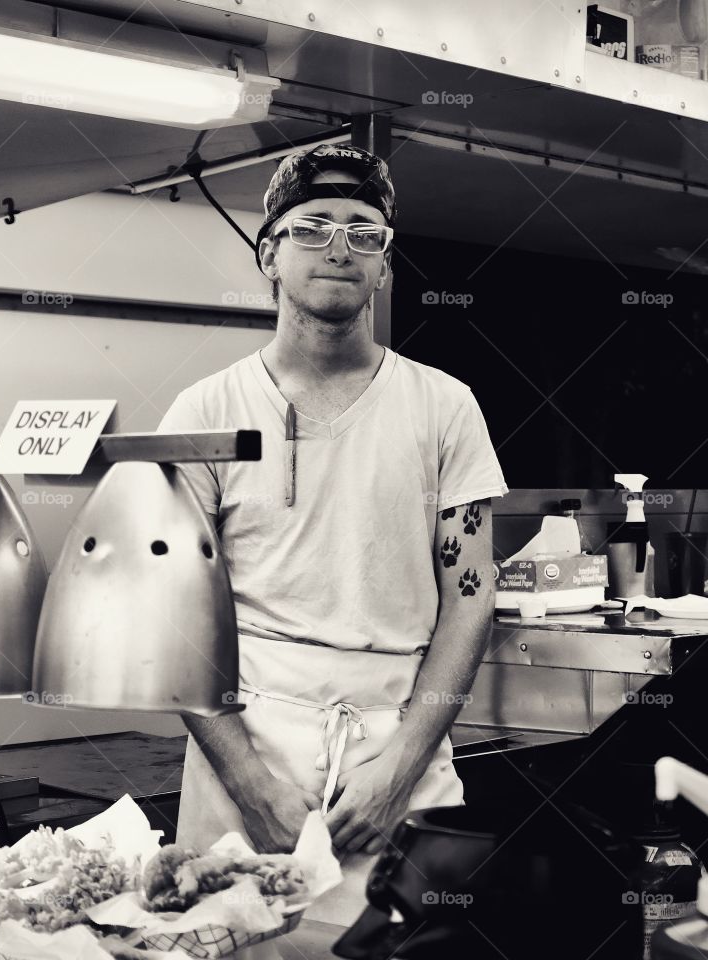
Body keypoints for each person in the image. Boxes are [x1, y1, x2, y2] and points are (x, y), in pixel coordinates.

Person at [157, 142, 508, 925]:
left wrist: (401, 766)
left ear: (384, 265)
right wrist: (251, 783)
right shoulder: (204, 415)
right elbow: (176, 618)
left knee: (410, 947)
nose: (340, 249)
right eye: (313, 227)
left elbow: (471, 598)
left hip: (400, 747)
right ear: (268, 254)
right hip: (246, 747)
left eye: (364, 232)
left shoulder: (445, 407)